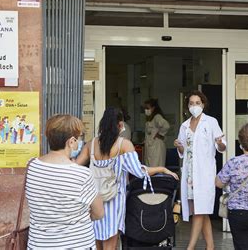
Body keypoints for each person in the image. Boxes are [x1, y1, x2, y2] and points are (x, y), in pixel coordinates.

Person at [76, 107, 178, 250]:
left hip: (94, 200)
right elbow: (139, 171)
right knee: (111, 243)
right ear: (119, 124)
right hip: (114, 201)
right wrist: (162, 169)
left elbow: (74, 167)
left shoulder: (91, 145)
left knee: (96, 241)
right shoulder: (123, 145)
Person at [25, 114, 104, 249]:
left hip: (39, 245)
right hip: (76, 245)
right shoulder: (81, 174)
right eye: (80, 139)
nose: (81, 143)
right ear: (71, 141)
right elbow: (99, 213)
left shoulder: (32, 166)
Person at [174, 90, 226, 250]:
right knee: (200, 210)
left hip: (204, 174)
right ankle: (210, 246)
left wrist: (220, 142)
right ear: (187, 106)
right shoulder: (185, 126)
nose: (194, 106)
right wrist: (180, 147)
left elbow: (222, 147)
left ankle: (190, 246)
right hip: (190, 175)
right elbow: (182, 153)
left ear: (203, 104)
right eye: (191, 103)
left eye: (197, 103)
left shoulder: (211, 122)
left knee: (199, 210)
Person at [144, 98, 170, 167]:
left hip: (157, 147)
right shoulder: (150, 119)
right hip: (150, 148)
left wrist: (160, 134)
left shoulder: (157, 117)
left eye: (147, 108)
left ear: (153, 108)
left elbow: (166, 126)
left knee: (156, 168)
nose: (146, 110)